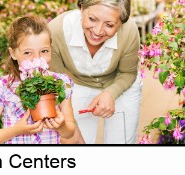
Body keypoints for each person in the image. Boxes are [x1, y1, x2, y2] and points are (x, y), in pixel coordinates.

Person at [49, 0, 142, 144]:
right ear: (82, 9)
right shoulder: (56, 31)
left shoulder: (129, 31)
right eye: (92, 19)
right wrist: (69, 122)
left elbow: (127, 73)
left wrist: (110, 93)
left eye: (109, 25)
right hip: (74, 85)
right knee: (77, 140)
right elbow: (57, 81)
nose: (98, 31)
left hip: (121, 83)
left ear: (120, 23)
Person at [0, 15, 81, 144]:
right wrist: (17, 130)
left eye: (44, 51)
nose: (37, 59)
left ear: (51, 48)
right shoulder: (2, 85)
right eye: (28, 52)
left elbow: (70, 130)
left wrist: (61, 126)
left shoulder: (60, 82)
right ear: (13, 53)